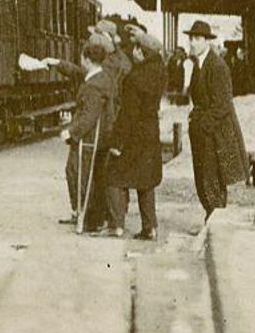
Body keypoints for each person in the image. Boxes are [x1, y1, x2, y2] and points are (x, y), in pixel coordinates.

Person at [48, 35, 118, 232]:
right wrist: (56, 63)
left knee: (78, 172)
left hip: (90, 138)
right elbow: (76, 72)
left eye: (81, 58)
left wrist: (70, 132)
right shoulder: (100, 76)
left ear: (87, 60)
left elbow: (89, 116)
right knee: (85, 174)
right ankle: (85, 213)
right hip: (100, 136)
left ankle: (84, 214)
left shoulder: (94, 85)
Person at [184, 20, 249, 219]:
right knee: (201, 177)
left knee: (211, 179)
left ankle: (215, 222)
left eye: (197, 39)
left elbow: (222, 104)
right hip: (202, 131)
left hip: (214, 133)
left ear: (207, 41)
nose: (192, 43)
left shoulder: (218, 66)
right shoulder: (198, 65)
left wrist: (204, 125)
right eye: (191, 39)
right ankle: (211, 218)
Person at [106, 24, 166, 239]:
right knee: (146, 181)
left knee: (114, 177)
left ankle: (117, 225)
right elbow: (159, 54)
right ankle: (150, 227)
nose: (132, 52)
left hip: (133, 137)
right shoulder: (159, 71)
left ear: (142, 52)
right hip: (150, 134)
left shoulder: (134, 79)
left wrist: (116, 143)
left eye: (136, 48)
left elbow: (127, 115)